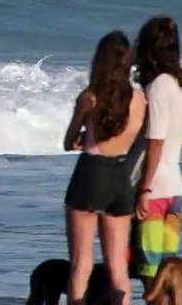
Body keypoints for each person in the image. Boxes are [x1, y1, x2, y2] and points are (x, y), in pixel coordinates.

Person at [62, 31, 147, 305]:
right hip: (120, 177)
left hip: (90, 173)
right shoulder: (140, 100)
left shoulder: (90, 97)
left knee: (81, 264)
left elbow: (68, 141)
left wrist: (81, 136)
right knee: (118, 269)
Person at [132, 16, 182, 290]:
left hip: (155, 189)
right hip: (176, 189)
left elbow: (155, 142)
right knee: (169, 274)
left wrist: (143, 189)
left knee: (151, 273)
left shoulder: (159, 86)